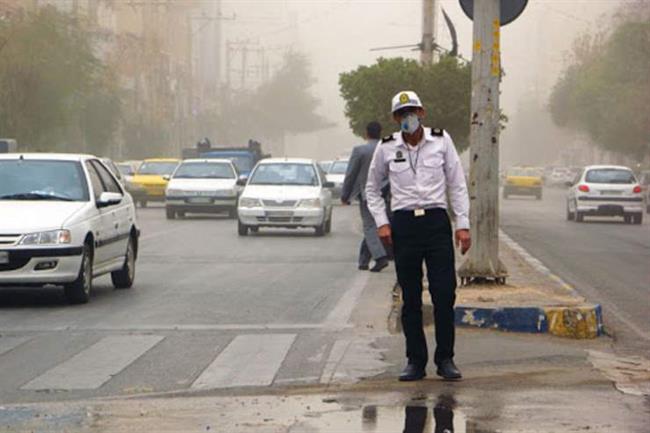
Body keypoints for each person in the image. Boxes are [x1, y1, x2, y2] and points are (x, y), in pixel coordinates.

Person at [366, 90, 471, 381]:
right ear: (395, 118)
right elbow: (372, 189)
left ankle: (445, 358)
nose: (408, 117)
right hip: (404, 226)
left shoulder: (441, 140)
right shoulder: (386, 148)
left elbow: (457, 183)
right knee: (410, 297)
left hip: (436, 223)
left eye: (412, 111)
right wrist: (382, 222)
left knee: (443, 292)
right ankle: (415, 360)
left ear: (422, 112)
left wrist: (462, 223)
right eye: (402, 114)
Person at [341, 121, 389, 272]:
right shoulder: (388, 148)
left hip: (367, 194)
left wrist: (345, 195)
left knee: (369, 226)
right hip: (387, 193)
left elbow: (351, 174)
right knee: (375, 226)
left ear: (366, 133)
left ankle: (380, 257)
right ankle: (363, 260)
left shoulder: (360, 151)